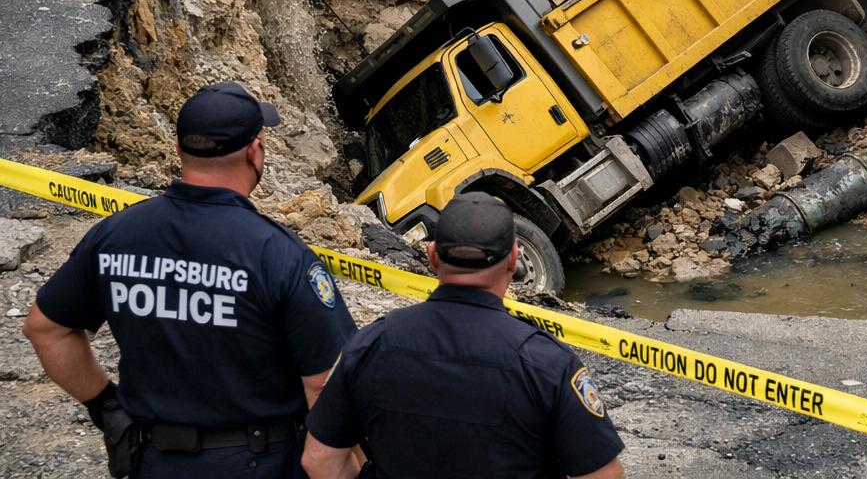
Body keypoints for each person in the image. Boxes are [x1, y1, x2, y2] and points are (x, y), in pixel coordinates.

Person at [23, 81, 357, 478]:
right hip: (258, 461)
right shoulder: (279, 254)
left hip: (153, 462)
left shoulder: (115, 235)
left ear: (180, 149)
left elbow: (45, 329)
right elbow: (325, 384)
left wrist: (106, 405)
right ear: (255, 151)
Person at [302, 193, 625, 479]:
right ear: (514, 259)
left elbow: (320, 461)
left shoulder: (370, 344)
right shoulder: (547, 364)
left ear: (432, 256)